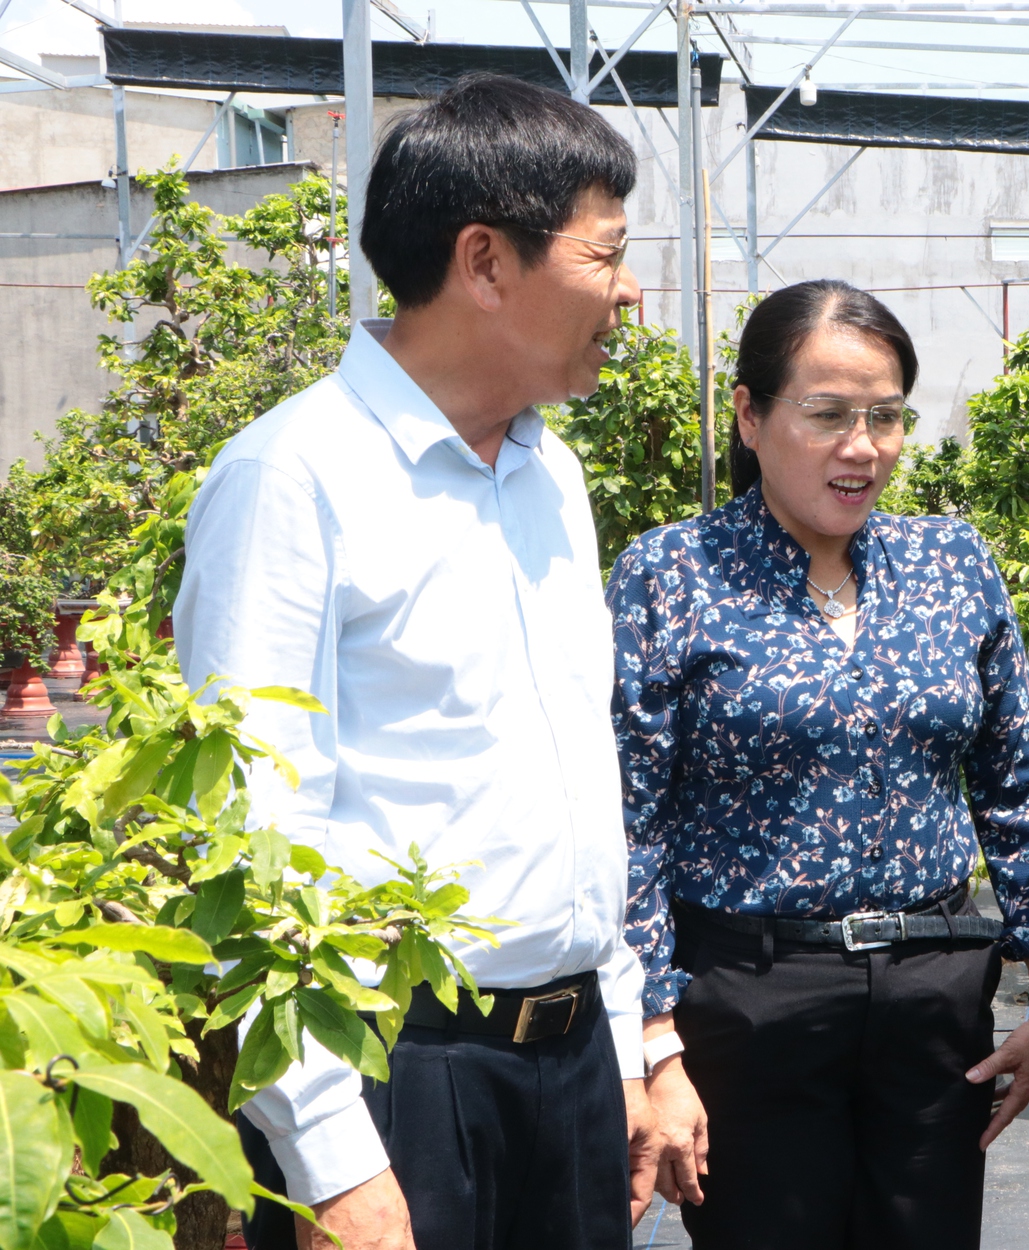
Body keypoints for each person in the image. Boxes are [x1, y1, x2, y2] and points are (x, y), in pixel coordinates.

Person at [175, 74, 660, 1250]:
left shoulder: (552, 472)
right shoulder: (294, 476)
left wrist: (624, 1030)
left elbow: (574, 776)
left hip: (571, 1065)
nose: (629, 295)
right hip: (398, 1070)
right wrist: (334, 1158)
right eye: (606, 256)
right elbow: (252, 840)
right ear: (486, 262)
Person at [608, 279, 1029, 1247]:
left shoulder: (950, 562)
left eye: (884, 417)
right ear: (749, 412)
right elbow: (628, 822)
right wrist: (654, 1041)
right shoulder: (672, 575)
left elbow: (1016, 785)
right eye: (824, 415)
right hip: (750, 993)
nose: (860, 447)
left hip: (931, 985)